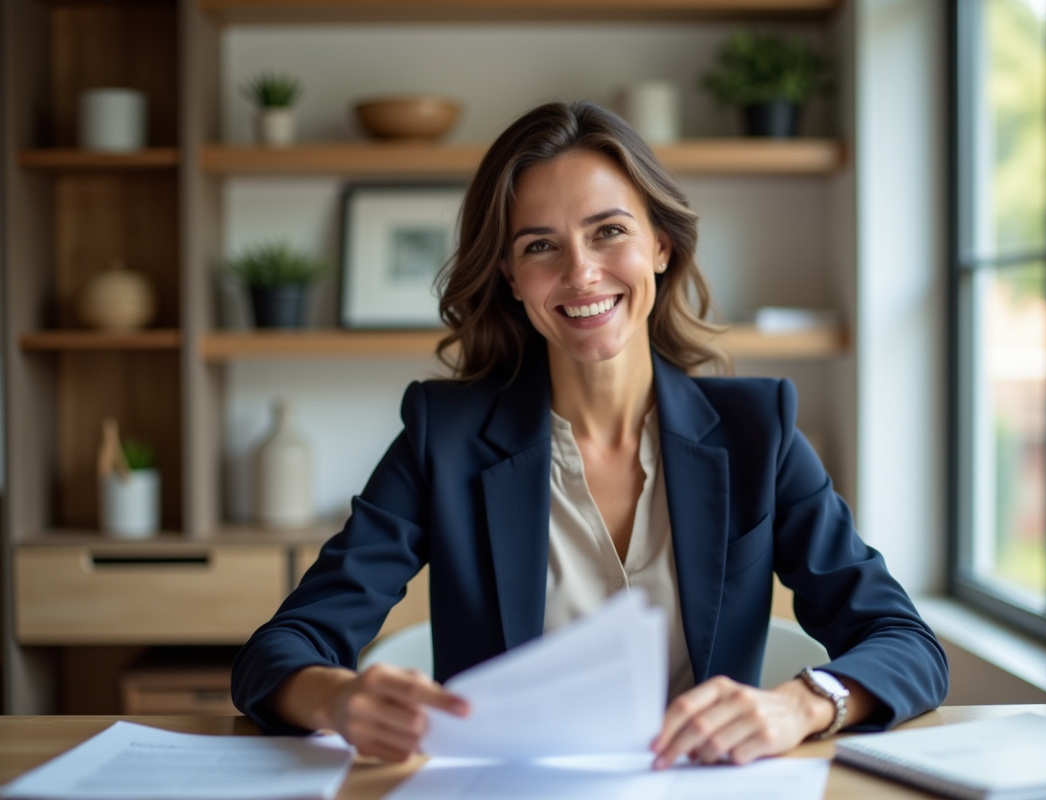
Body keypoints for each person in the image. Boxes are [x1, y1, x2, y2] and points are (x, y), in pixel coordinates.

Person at [231, 100, 948, 767]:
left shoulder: (759, 432)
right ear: (511, 276)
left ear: (660, 244)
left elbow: (905, 643)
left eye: (609, 231)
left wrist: (801, 704)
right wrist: (338, 698)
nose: (580, 272)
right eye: (540, 245)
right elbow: (280, 649)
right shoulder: (441, 439)